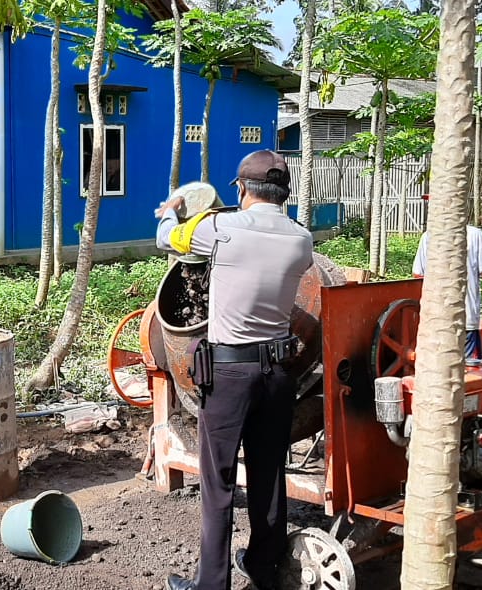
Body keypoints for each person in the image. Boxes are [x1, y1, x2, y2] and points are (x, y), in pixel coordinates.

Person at [154, 150, 313, 590]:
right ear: (284, 192)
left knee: (218, 482)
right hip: (279, 375)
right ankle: (264, 567)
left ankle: (211, 584)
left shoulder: (219, 230)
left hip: (229, 376)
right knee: (269, 475)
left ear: (241, 189)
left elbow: (167, 238)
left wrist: (173, 212)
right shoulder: (302, 240)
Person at [411, 219, 482, 361]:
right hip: (438, 320)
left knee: (471, 371)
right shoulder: (428, 237)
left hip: (466, 318)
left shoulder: (474, 235)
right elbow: (419, 276)